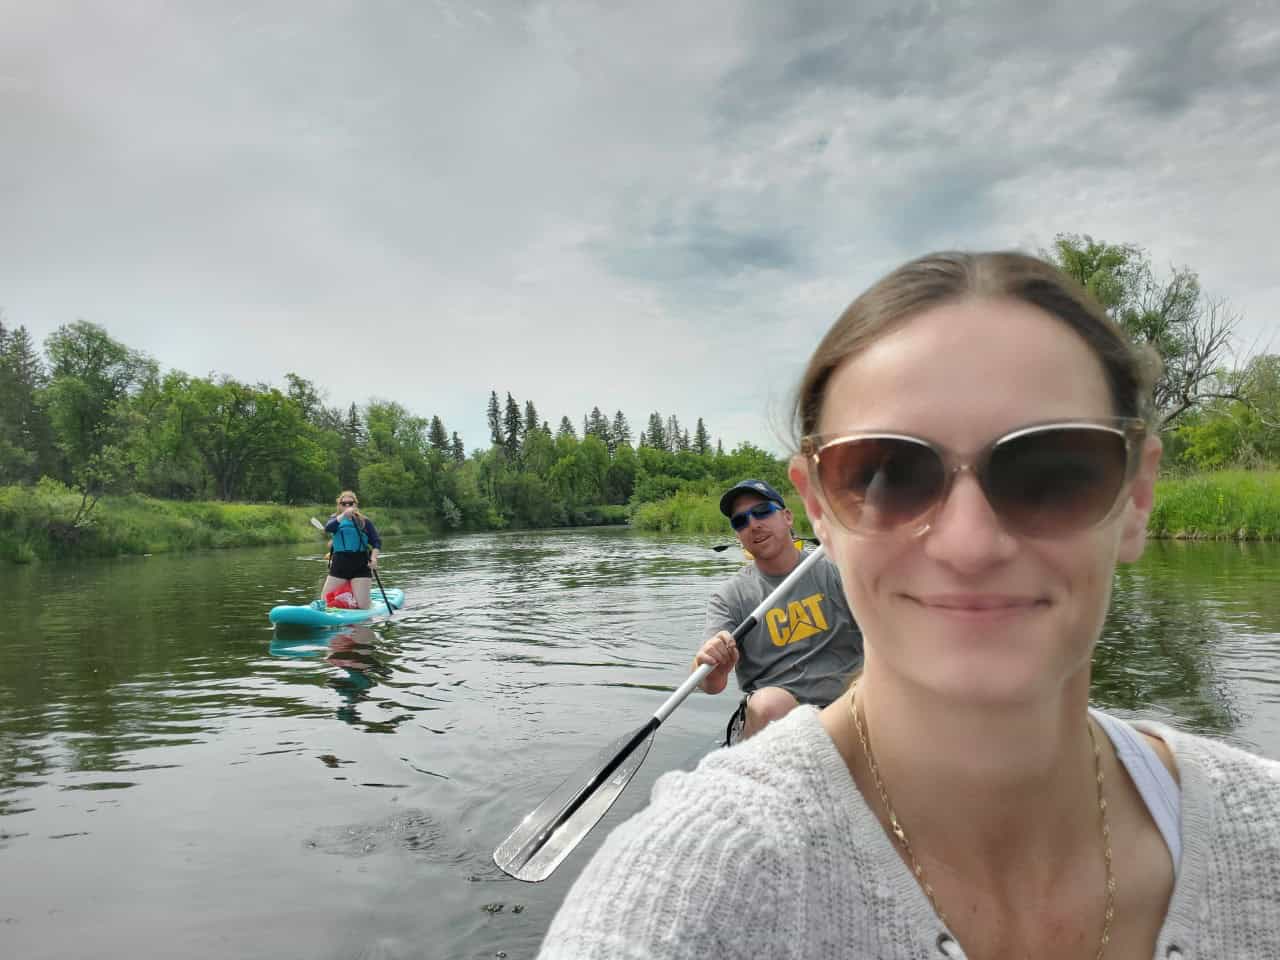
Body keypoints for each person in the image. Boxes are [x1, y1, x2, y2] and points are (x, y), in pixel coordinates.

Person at [538, 251, 1280, 958]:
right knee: (764, 708)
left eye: (1053, 469)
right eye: (887, 475)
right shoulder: (691, 881)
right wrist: (713, 660)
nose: (968, 545)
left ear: (1137, 498)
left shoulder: (1265, 831)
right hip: (784, 712)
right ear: (821, 504)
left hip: (838, 689)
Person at [695, 478, 863, 743]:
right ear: (738, 535)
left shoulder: (837, 569)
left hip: (849, 709)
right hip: (778, 718)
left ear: (787, 517)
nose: (753, 523)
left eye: (762, 512)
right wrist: (711, 661)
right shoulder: (729, 597)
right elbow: (710, 685)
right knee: (771, 704)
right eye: (740, 521)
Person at [321, 490, 381, 609]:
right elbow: (328, 528)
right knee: (324, 601)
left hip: (360, 564)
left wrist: (374, 558)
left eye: (350, 503)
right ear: (339, 505)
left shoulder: (364, 521)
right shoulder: (335, 520)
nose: (347, 506)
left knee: (363, 606)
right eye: (344, 504)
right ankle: (348, 601)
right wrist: (344, 515)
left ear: (355, 504)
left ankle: (363, 603)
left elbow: (376, 542)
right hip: (339, 564)